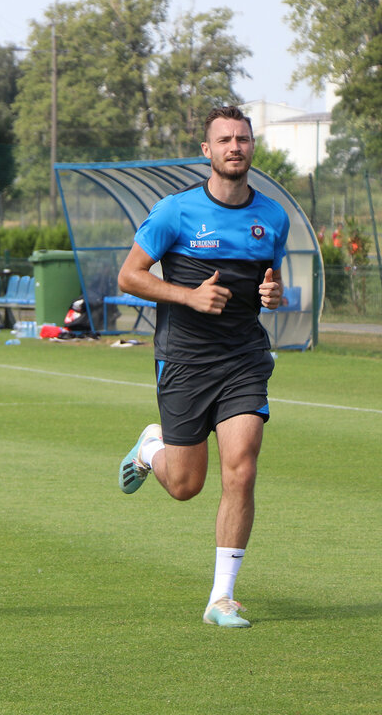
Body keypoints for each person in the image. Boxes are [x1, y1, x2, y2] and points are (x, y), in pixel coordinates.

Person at [115, 105, 288, 629]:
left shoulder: (273, 217)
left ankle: (222, 598)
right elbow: (130, 275)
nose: (235, 147)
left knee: (243, 467)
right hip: (185, 360)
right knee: (186, 485)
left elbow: (270, 281)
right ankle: (152, 447)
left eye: (243, 138)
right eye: (225, 140)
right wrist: (188, 296)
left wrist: (273, 293)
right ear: (208, 151)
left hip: (243, 358)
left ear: (252, 146)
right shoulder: (175, 211)